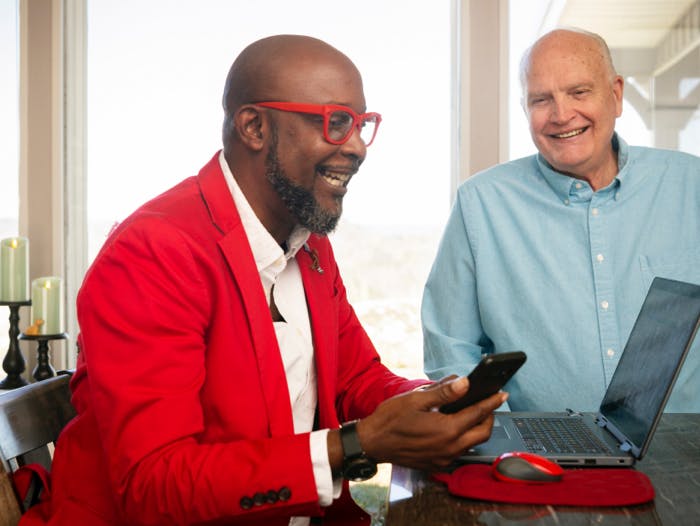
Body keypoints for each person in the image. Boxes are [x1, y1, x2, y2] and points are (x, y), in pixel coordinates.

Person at [33, 35, 506, 526]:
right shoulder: (153, 252)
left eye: (363, 124)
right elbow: (156, 483)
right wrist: (355, 444)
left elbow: (355, 377)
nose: (359, 147)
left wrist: (428, 403)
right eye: (336, 122)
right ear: (254, 126)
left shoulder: (308, 241)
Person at [422, 28, 700, 413]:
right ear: (525, 109)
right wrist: (500, 440)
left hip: (685, 454)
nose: (562, 115)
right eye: (541, 99)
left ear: (616, 95)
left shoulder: (691, 185)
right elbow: (450, 349)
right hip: (539, 458)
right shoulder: (480, 204)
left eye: (579, 92)